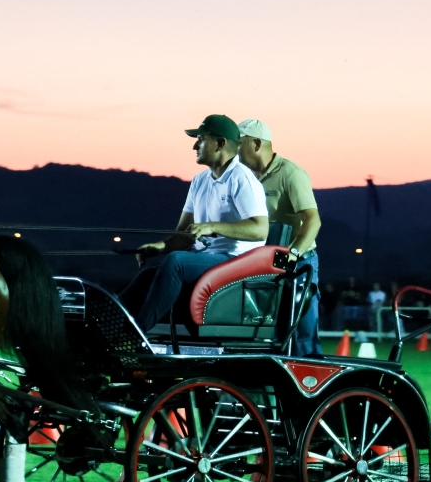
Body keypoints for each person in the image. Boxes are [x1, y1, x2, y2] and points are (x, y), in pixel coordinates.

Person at [120, 114, 268, 331]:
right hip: (206, 259)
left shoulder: (242, 178)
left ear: (220, 143)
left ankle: (136, 333)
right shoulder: (199, 181)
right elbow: (184, 235)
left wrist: (212, 226)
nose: (194, 146)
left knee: (176, 262)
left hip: (236, 261)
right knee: (147, 274)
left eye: (201, 139)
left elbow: (260, 229)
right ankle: (107, 326)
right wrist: (160, 246)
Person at [236, 119, 323, 357]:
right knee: (270, 332)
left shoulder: (291, 173)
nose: (234, 149)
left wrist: (293, 253)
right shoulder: (245, 176)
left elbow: (313, 220)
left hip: (298, 262)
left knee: (302, 332)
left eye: (239, 143)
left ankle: (311, 377)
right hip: (264, 263)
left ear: (256, 144)